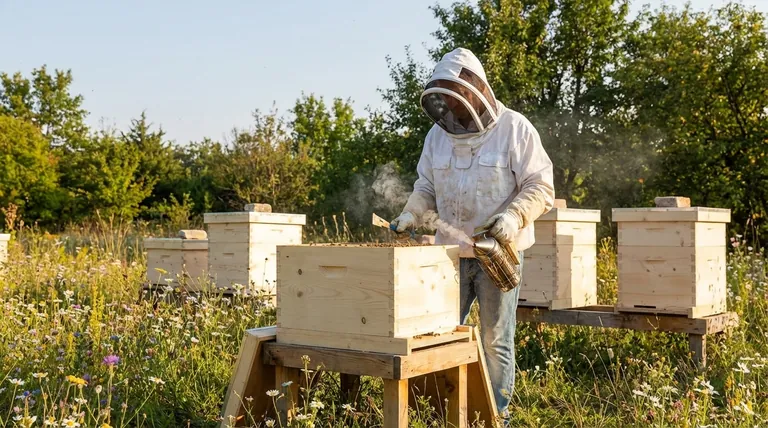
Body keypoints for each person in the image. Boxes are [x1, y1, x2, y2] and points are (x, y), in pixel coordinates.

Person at [390, 47, 555, 418]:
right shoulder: (437, 136)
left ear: (477, 93)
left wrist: (513, 218)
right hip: (448, 256)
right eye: (449, 108)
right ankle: (442, 411)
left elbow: (541, 187)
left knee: (495, 339)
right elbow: (426, 187)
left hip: (498, 253)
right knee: (438, 334)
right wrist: (410, 214)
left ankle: (495, 415)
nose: (456, 117)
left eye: (460, 107)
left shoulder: (515, 128)